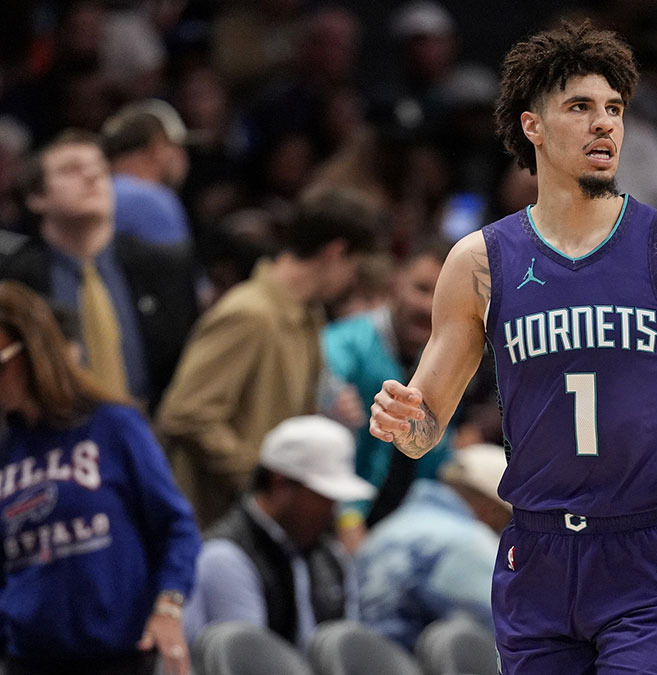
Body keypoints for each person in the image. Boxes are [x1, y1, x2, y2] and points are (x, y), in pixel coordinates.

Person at [369, 21, 657, 674]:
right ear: (533, 126)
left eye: (614, 109)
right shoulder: (479, 261)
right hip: (536, 553)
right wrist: (405, 423)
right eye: (580, 107)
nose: (604, 124)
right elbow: (427, 420)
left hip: (652, 547)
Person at [0, 281, 201, 675]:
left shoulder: (112, 425)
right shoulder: (6, 447)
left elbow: (175, 525)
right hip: (29, 660)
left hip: (121, 654)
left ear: (33, 351)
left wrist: (168, 607)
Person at [155, 186, 379, 528]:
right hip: (212, 524)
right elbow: (186, 412)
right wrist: (264, 480)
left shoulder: (308, 317)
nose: (351, 280)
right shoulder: (250, 314)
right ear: (335, 252)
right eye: (355, 266)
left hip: (255, 523)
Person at [0, 129, 198, 411]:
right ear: (36, 197)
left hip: (154, 436)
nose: (92, 177)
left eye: (101, 169)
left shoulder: (166, 265)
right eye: (71, 170)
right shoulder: (13, 282)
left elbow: (189, 364)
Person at [183, 416, 376, 647]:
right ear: (280, 483)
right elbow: (249, 662)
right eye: (321, 496)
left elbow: (348, 649)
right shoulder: (225, 557)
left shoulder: (329, 556)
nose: (331, 508)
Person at [322, 239, 452, 549]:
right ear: (396, 284)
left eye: (441, 296)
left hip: (408, 523)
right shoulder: (341, 347)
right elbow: (326, 447)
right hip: (335, 521)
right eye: (421, 289)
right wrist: (347, 520)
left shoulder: (450, 363)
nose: (427, 306)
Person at [357, 443, 511, 650]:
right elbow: (506, 628)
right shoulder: (468, 541)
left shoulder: (387, 528)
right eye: (508, 519)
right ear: (492, 509)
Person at [101, 100, 192, 247]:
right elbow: (177, 269)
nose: (184, 158)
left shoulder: (95, 196)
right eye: (179, 147)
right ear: (158, 149)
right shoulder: (150, 199)